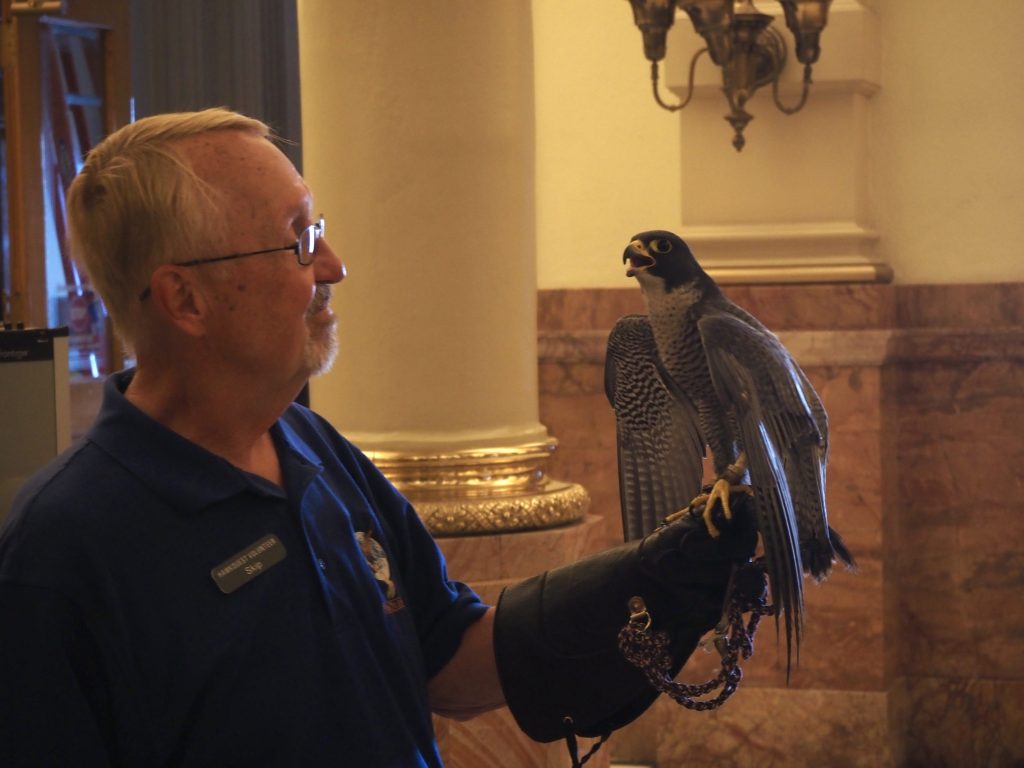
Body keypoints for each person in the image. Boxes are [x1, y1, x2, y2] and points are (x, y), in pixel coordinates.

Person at [0, 109, 754, 767]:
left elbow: (445, 656)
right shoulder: (63, 551)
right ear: (185, 298)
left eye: (317, 229)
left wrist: (653, 580)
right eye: (299, 240)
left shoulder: (314, 448)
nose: (334, 265)